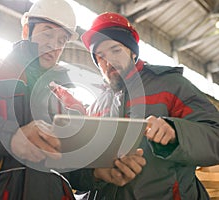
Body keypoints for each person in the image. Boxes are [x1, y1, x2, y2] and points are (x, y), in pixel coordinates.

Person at [0, 1, 146, 200]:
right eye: (47, 33)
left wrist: (96, 173)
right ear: (27, 29)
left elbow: (64, 164)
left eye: (62, 39)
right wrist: (6, 138)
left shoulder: (57, 102)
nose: (54, 45)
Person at [67, 12, 219, 199]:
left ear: (133, 52)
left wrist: (176, 132)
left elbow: (215, 135)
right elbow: (79, 170)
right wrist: (94, 173)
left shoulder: (171, 86)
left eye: (116, 50)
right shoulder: (97, 106)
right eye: (100, 56)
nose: (109, 62)